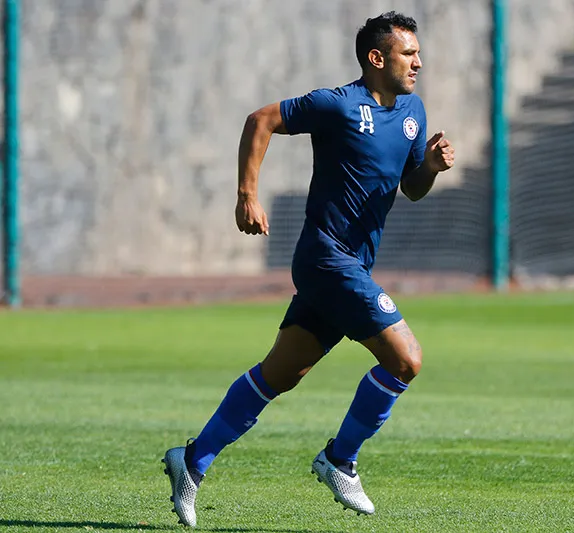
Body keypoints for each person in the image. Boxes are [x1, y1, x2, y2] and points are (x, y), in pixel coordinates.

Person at [162, 11, 455, 527]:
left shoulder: (413, 112)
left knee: (279, 375)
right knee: (406, 360)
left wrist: (428, 166)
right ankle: (339, 459)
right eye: (409, 54)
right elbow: (261, 120)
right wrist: (246, 195)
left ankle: (192, 459)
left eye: (418, 52)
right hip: (326, 258)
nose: (419, 61)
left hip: (350, 264)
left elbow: (410, 187)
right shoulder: (338, 104)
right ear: (376, 58)